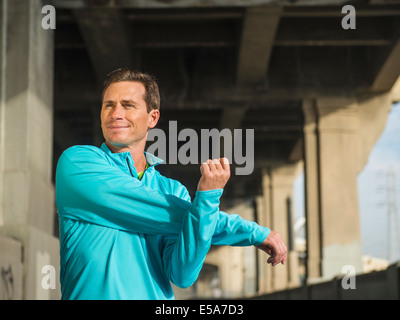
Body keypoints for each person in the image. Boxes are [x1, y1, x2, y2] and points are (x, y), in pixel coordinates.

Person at [55, 68, 287, 300]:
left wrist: (206, 199)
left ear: (152, 118)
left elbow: (182, 275)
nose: (116, 113)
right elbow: (152, 207)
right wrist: (250, 231)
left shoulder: (172, 191)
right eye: (108, 105)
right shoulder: (77, 164)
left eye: (127, 105)